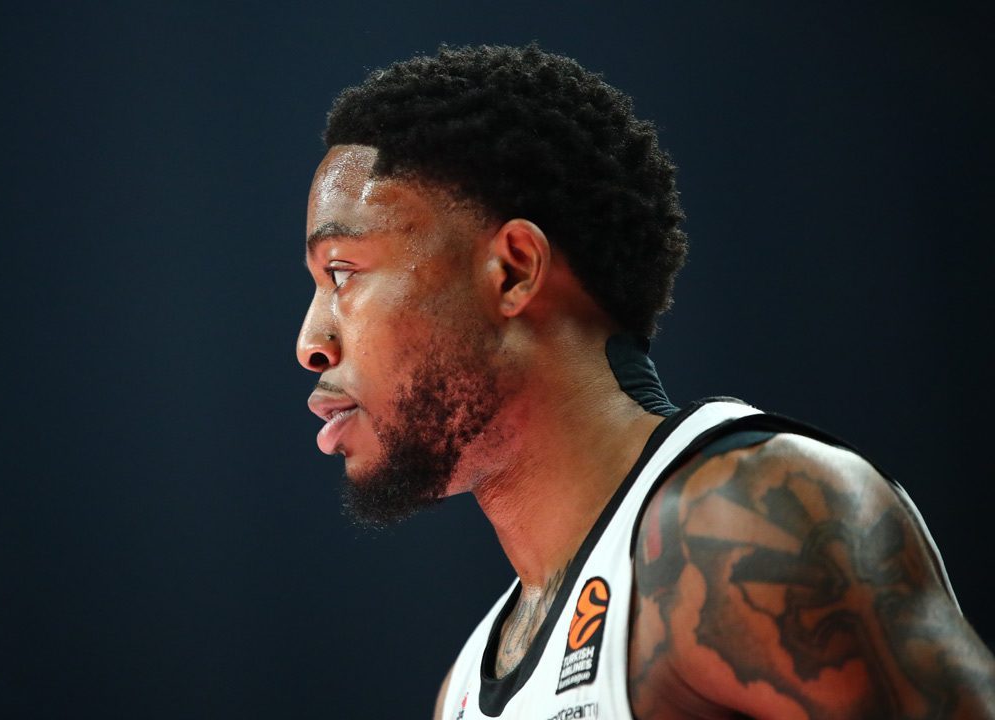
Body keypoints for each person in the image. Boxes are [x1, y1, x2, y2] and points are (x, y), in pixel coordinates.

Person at [295, 44, 995, 719]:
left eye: (342, 272)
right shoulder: (463, 694)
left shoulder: (750, 520)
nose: (310, 343)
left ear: (512, 270)